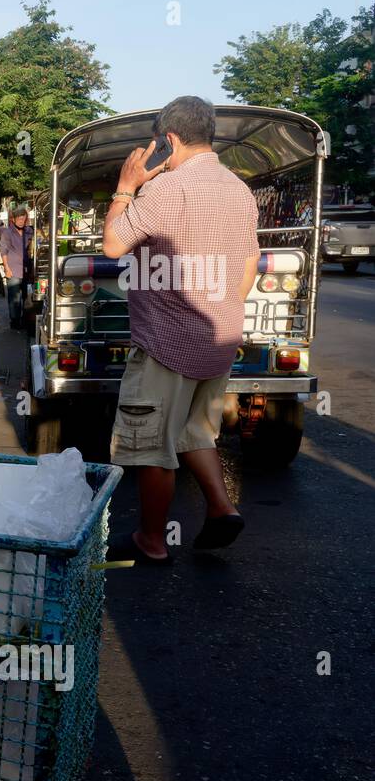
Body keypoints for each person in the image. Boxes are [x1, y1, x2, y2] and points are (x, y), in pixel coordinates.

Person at [101, 95, 259, 564]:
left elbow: (113, 245)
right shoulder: (238, 189)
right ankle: (220, 507)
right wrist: (219, 306)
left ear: (168, 139)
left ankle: (152, 540)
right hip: (220, 339)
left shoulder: (166, 191)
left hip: (166, 345)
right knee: (195, 433)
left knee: (151, 445)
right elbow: (248, 265)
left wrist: (126, 187)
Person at [0, 207, 34, 328]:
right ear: (13, 219)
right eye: (19, 219)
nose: (21, 221)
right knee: (14, 298)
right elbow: (3, 251)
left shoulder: (29, 231)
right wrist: (6, 268)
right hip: (13, 270)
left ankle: (25, 319)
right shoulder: (7, 233)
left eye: (23, 219)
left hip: (27, 270)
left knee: (26, 296)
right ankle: (15, 321)